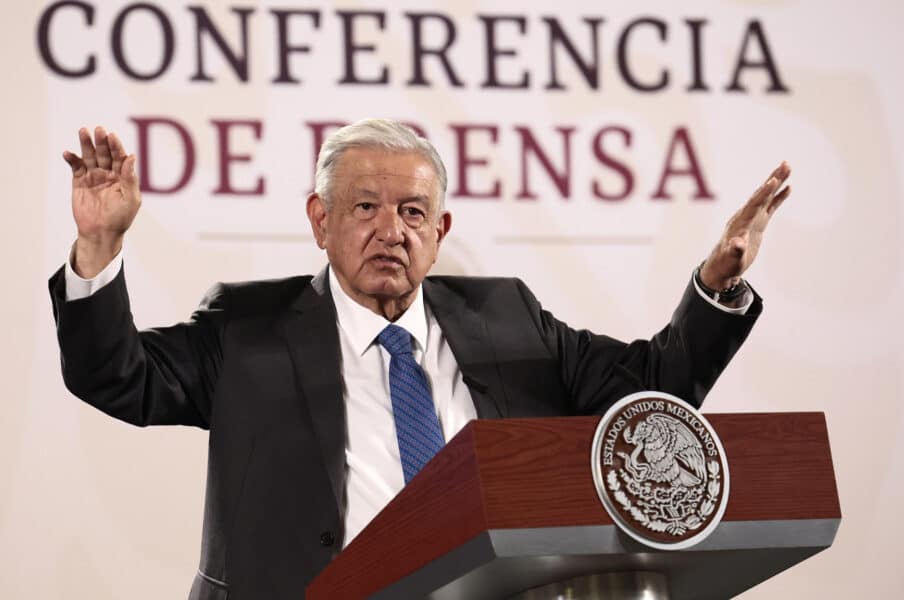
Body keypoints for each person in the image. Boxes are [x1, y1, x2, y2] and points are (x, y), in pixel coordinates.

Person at [49, 119, 790, 599]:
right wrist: (98, 248)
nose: (390, 231)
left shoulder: (508, 318)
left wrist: (717, 285)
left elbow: (649, 396)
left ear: (439, 231)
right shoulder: (250, 330)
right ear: (321, 221)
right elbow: (119, 377)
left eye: (411, 213)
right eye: (365, 207)